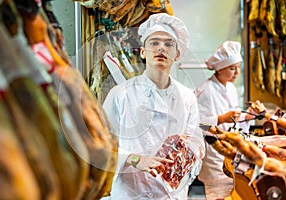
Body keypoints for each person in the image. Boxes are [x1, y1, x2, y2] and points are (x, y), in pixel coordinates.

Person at [102, 13, 205, 200]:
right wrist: (135, 159)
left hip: (172, 194)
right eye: (154, 43)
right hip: (131, 193)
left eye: (168, 44)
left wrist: (187, 155)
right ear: (143, 52)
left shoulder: (187, 97)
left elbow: (195, 142)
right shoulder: (120, 95)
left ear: (177, 54)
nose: (161, 49)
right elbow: (99, 145)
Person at [195, 41, 260, 199]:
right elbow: (197, 124)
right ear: (219, 69)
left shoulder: (230, 88)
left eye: (238, 67)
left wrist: (249, 116)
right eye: (232, 68)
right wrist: (220, 118)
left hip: (233, 151)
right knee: (218, 193)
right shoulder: (206, 90)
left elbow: (234, 119)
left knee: (234, 191)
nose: (237, 72)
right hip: (215, 155)